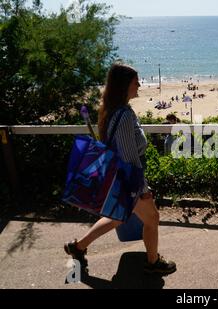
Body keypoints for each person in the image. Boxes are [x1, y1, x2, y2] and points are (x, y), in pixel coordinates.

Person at [64, 63, 176, 275]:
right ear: (124, 85)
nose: (140, 85)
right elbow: (128, 156)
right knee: (152, 218)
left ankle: (77, 247)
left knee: (116, 217)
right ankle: (153, 263)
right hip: (128, 178)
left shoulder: (113, 110)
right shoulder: (124, 115)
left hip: (118, 177)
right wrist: (142, 188)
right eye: (136, 82)